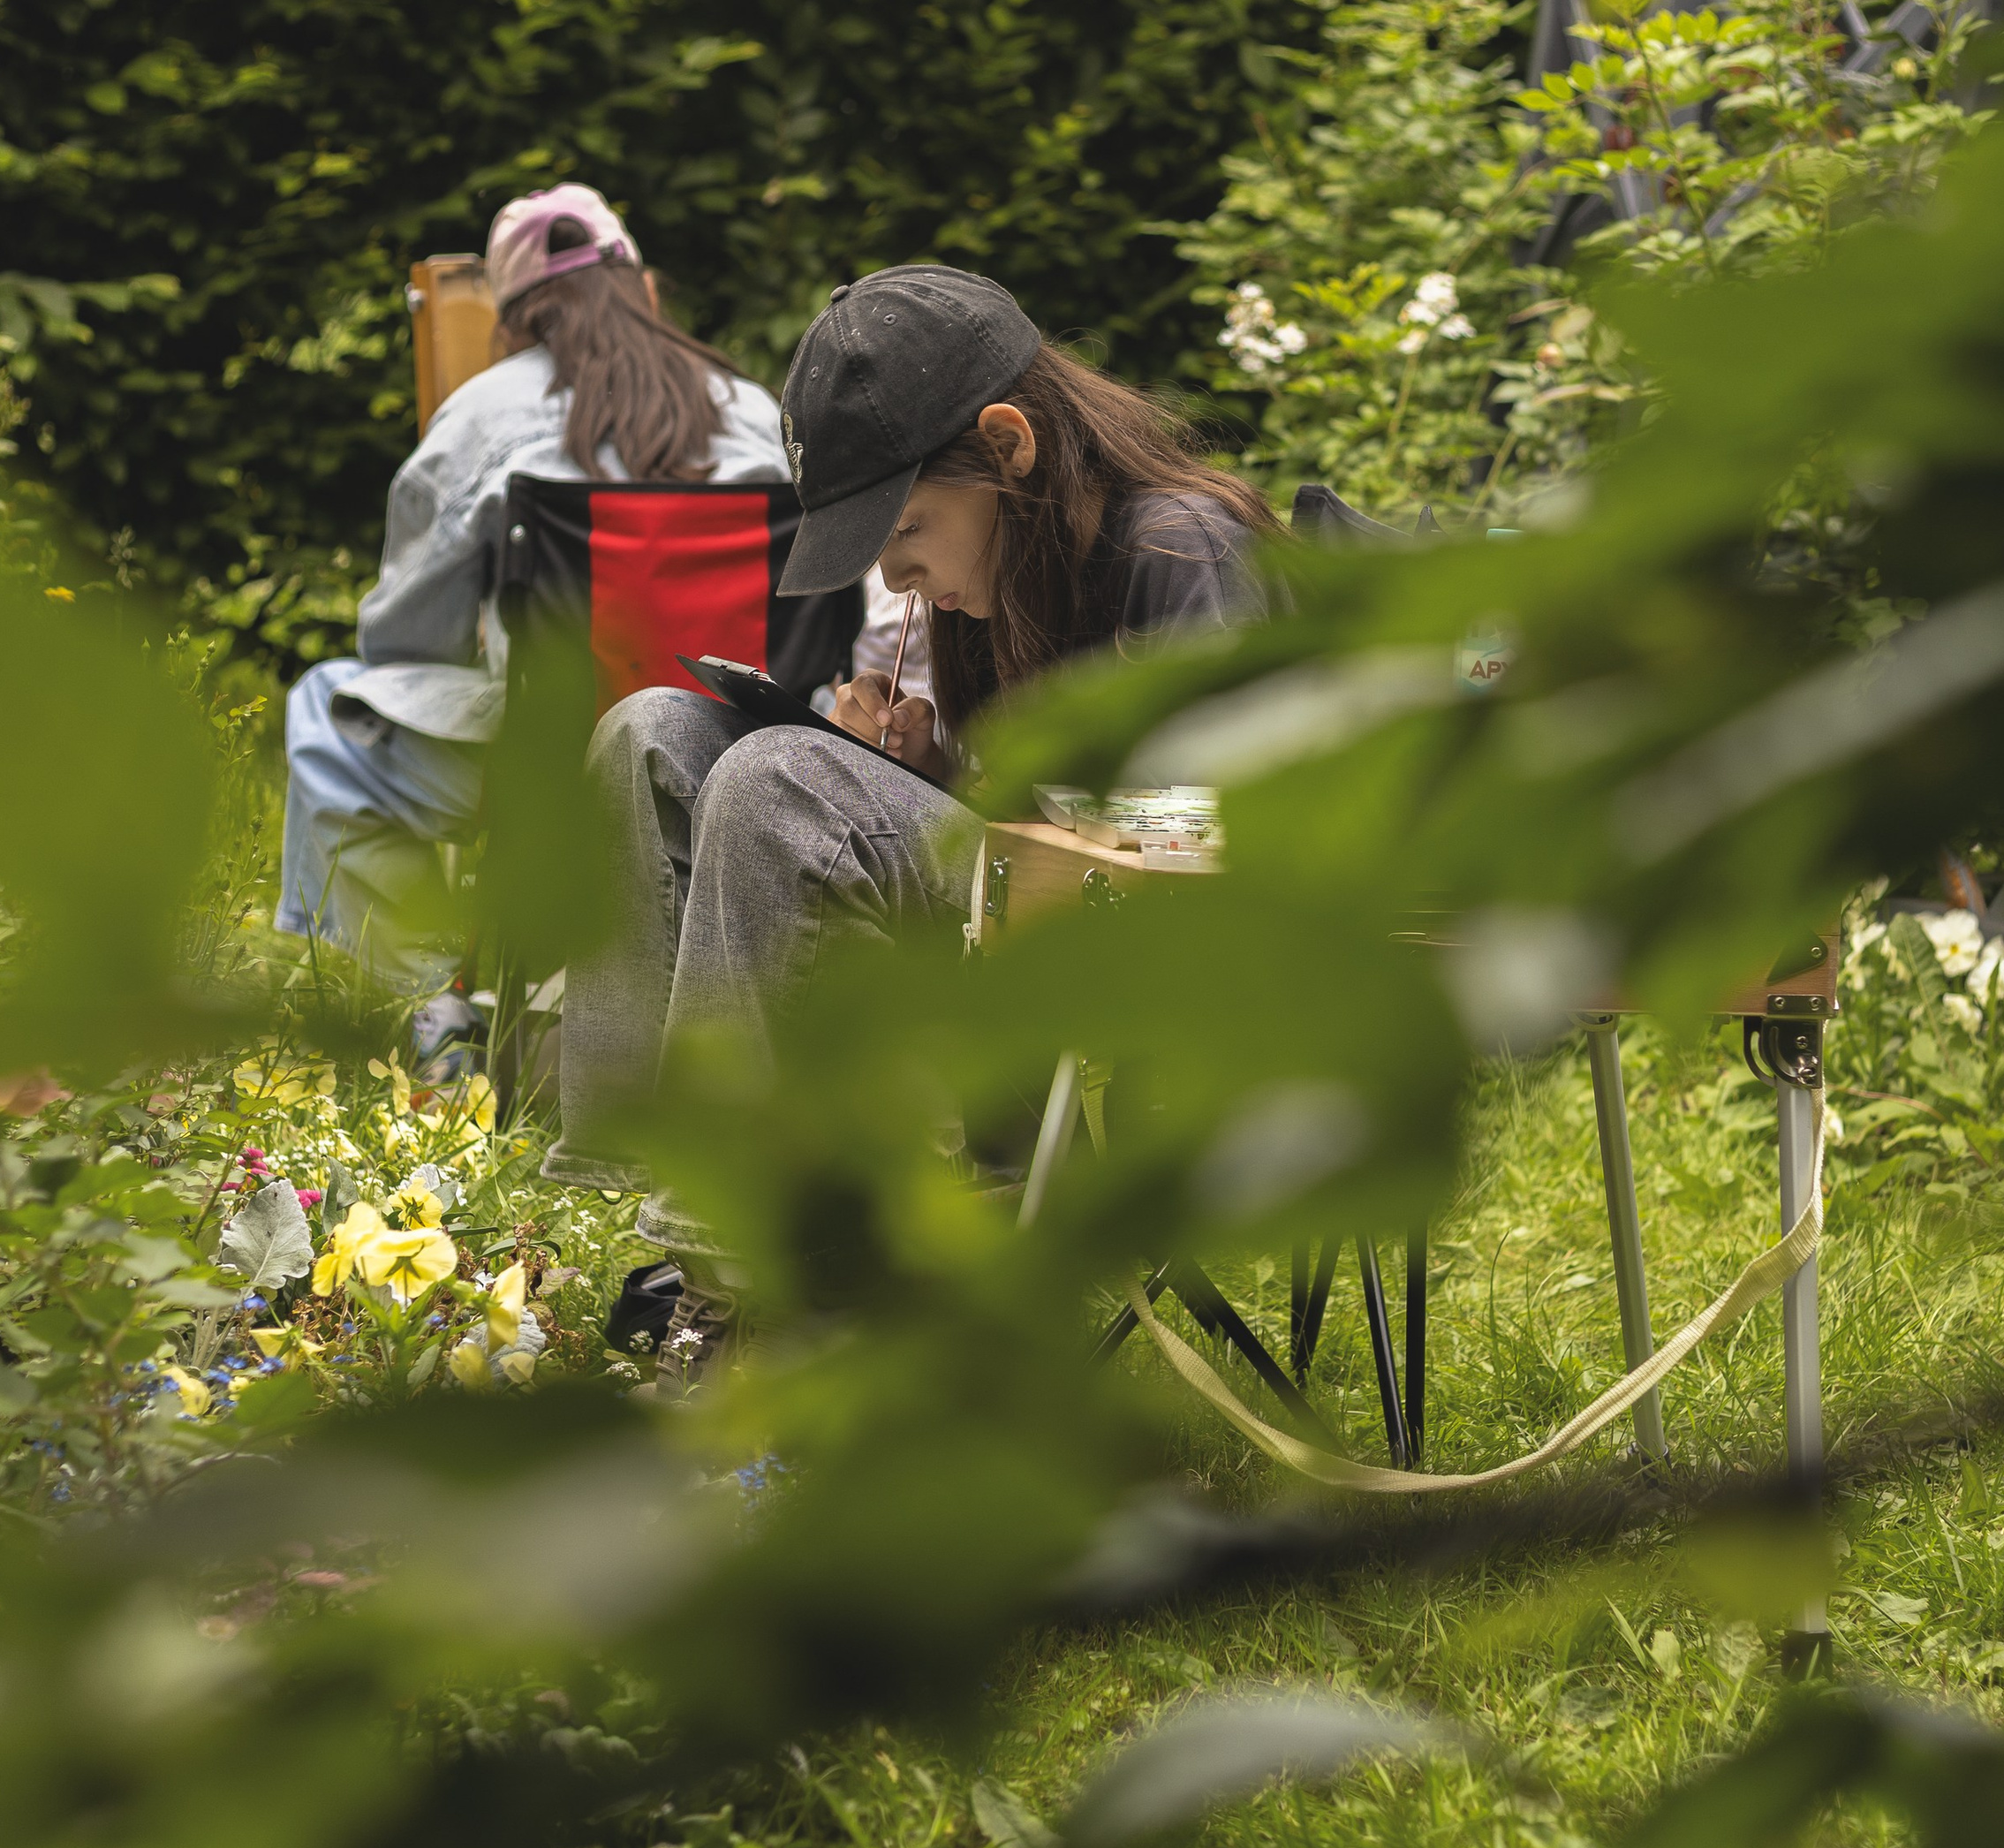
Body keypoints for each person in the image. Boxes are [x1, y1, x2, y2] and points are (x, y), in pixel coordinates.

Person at [543, 264, 1280, 1377]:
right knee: (651, 733)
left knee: (783, 781)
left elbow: (1229, 836)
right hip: (1004, 951)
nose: (892, 574)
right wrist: (929, 774)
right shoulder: (994, 581)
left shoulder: (1182, 549)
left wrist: (902, 802)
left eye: (905, 528)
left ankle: (734, 1286)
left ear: (1008, 447)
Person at [276, 183, 922, 1042]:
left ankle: (428, 1009)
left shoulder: (480, 416)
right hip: (741, 765)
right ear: (642, 288)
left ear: (512, 319)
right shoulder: (755, 412)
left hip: (545, 768)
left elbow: (403, 643)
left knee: (326, 712)